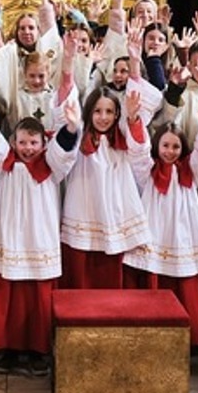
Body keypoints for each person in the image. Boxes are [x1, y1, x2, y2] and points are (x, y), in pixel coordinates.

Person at [0, 84, 80, 376]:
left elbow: (65, 152)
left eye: (33, 142)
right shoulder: (3, 164)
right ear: (13, 142)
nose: (28, 148)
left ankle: (37, 351)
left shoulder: (51, 166)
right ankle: (9, 350)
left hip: (39, 240)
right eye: (22, 142)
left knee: (37, 299)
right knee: (9, 298)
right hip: (9, 240)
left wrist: (70, 128)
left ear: (43, 143)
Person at [123, 91, 198, 346]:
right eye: (165, 145)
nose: (170, 151)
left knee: (184, 279)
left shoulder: (191, 169)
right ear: (157, 146)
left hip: (183, 235)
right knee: (153, 278)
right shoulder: (148, 169)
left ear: (183, 147)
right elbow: (138, 151)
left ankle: (183, 340)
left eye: (176, 146)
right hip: (155, 233)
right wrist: (133, 119)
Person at [60, 87, 151, 290]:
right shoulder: (80, 136)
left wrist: (134, 118)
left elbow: (141, 151)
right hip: (84, 210)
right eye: (97, 111)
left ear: (117, 114)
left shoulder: (122, 136)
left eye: (109, 111)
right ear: (88, 112)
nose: (103, 117)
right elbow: (61, 157)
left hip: (117, 213)